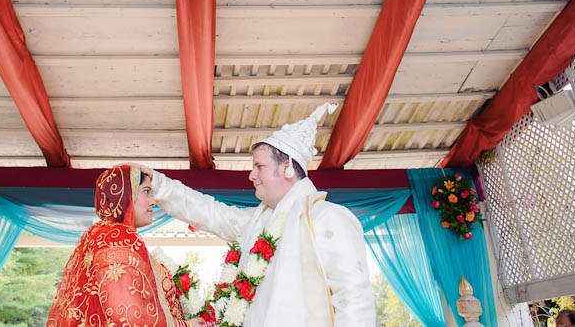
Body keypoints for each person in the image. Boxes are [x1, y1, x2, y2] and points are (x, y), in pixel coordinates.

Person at [134, 103, 376, 327]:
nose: (251, 175)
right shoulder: (257, 222)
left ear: (287, 166)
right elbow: (210, 213)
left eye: (259, 166)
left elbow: (353, 299)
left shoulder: (327, 217)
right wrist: (158, 184)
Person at [46, 165, 206, 327]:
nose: (153, 201)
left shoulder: (105, 235)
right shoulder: (116, 238)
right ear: (125, 195)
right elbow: (127, 315)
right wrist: (186, 326)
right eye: (146, 192)